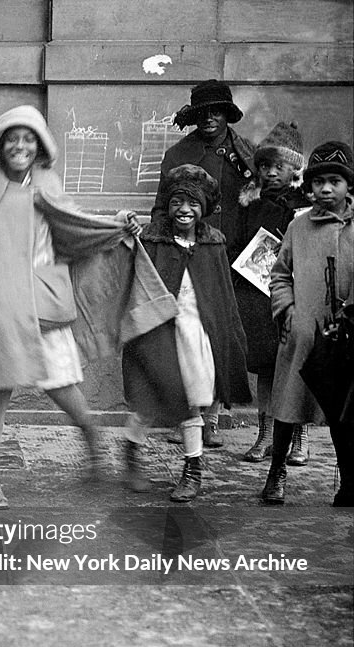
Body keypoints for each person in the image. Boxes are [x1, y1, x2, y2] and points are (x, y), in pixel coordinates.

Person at [0, 105, 154, 509]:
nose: (20, 146)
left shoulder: (49, 185)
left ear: (39, 145)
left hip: (45, 307)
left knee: (61, 385)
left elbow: (77, 226)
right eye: (13, 138)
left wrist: (117, 223)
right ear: (1, 144)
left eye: (28, 139)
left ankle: (92, 437)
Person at [121, 165, 250, 501]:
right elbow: (127, 271)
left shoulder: (212, 244)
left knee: (191, 403)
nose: (184, 210)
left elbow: (222, 298)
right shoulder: (152, 239)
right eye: (177, 201)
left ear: (203, 209)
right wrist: (128, 228)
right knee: (148, 405)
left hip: (196, 334)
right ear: (168, 204)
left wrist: (229, 341)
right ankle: (132, 455)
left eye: (193, 204)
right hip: (157, 335)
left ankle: (192, 471)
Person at [154, 79, 256, 447]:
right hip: (189, 258)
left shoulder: (247, 156)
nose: (210, 119)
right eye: (203, 112)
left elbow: (261, 205)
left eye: (217, 111)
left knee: (222, 338)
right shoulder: (179, 155)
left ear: (227, 114)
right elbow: (160, 211)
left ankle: (210, 418)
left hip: (235, 260)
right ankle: (183, 414)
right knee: (182, 337)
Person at [262, 141, 354, 506]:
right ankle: (276, 473)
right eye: (318, 183)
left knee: (345, 414)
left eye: (335, 181)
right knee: (288, 407)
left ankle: (349, 482)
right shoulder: (299, 227)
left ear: (349, 186)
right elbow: (280, 275)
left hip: (348, 338)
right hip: (303, 333)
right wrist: (287, 311)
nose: (326, 190)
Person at [233, 121, 311, 464]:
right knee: (267, 367)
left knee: (297, 365)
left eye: (278, 166)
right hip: (258, 298)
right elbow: (239, 244)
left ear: (294, 169)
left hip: (295, 295)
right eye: (264, 165)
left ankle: (301, 438)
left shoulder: (304, 206)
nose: (270, 172)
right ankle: (264, 436)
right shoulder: (251, 204)